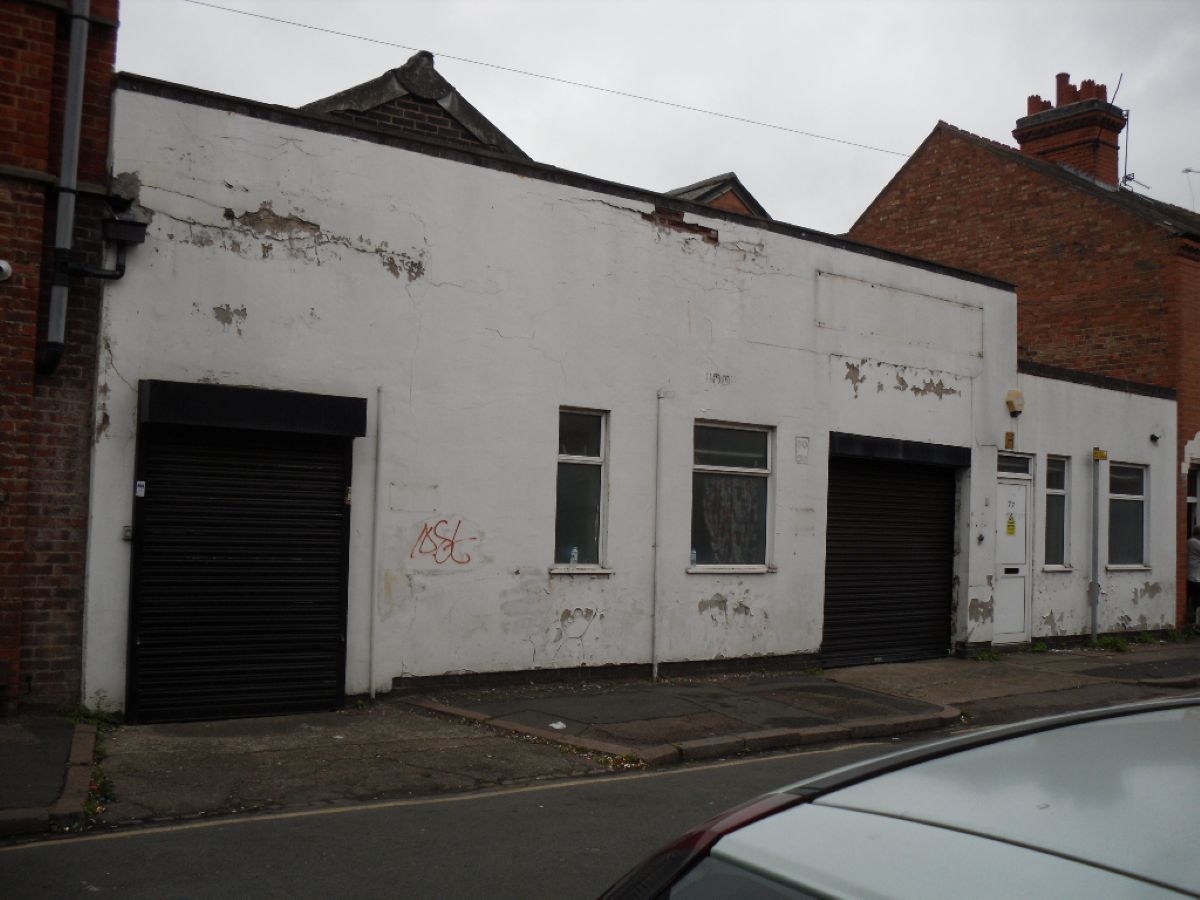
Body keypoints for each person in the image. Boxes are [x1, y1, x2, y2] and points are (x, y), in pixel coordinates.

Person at [1188, 526, 1200, 631]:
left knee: (1194, 600)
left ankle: (1193, 622)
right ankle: (1195, 624)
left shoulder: (1190, 542)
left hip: (1192, 575)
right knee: (1197, 601)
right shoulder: (1194, 542)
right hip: (1196, 577)